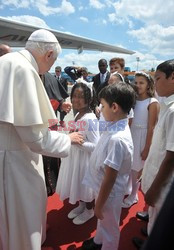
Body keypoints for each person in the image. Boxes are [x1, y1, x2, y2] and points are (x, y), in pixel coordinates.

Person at [0, 29, 83, 250]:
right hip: (14, 164)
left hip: (7, 155)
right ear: (48, 54)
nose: (49, 66)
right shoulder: (25, 70)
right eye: (53, 60)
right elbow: (36, 139)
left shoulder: (7, 62)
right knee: (21, 225)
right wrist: (68, 139)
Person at [82, 82, 136, 250]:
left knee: (110, 228)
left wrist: (98, 205)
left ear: (114, 107)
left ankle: (107, 246)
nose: (100, 109)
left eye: (102, 105)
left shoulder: (117, 139)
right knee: (103, 222)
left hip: (110, 193)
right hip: (104, 189)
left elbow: (110, 177)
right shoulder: (114, 125)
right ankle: (98, 242)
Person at [56, 82, 100, 225]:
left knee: (86, 185)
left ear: (89, 99)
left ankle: (89, 210)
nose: (76, 99)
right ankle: (81, 205)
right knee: (79, 184)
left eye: (81, 97)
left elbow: (96, 146)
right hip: (76, 158)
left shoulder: (90, 118)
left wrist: (77, 143)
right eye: (74, 96)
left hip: (85, 160)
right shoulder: (79, 114)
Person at [141, 59, 174, 236]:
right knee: (154, 220)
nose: (155, 84)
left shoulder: (173, 111)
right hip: (157, 178)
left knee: (160, 227)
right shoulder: (167, 106)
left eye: (158, 78)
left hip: (163, 186)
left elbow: (171, 158)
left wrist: (154, 190)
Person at [122, 71, 159, 208]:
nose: (138, 85)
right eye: (136, 82)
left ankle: (134, 195)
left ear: (149, 84)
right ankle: (129, 189)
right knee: (130, 165)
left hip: (142, 137)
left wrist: (147, 148)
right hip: (131, 134)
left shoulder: (152, 102)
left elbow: (152, 127)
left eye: (141, 83)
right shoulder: (133, 100)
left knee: (137, 168)